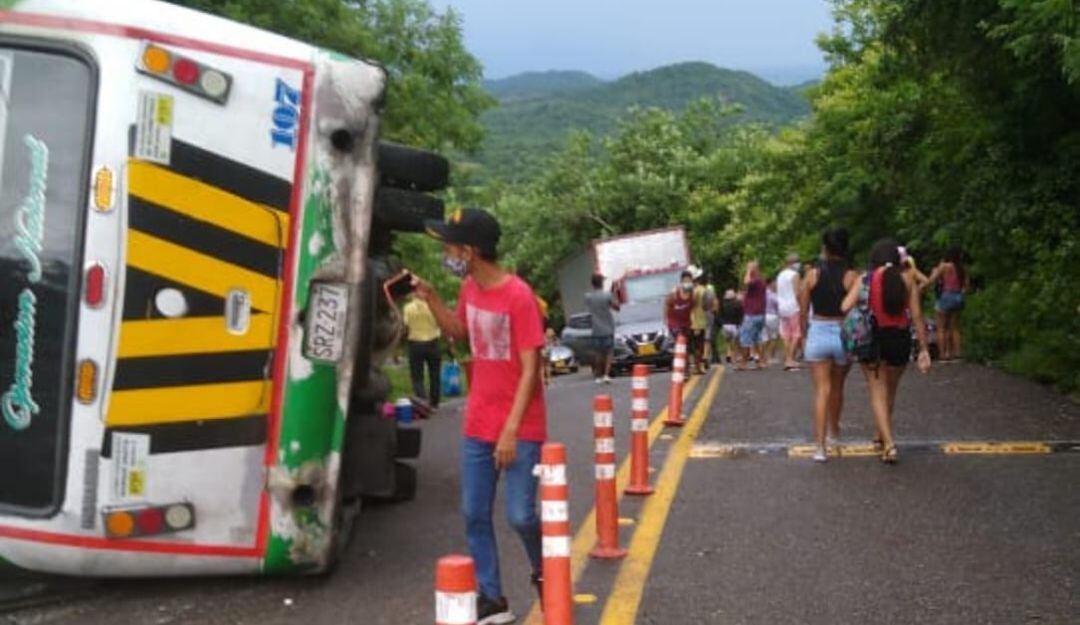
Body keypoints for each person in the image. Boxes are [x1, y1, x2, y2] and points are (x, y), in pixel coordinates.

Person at [412, 208, 545, 624]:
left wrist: (509, 430)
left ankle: (547, 569)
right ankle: (492, 595)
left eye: (450, 245)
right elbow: (459, 332)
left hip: (520, 424)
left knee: (521, 515)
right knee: (474, 514)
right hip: (478, 422)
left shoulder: (519, 296)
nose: (446, 252)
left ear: (470, 251)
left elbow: (530, 369)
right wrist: (432, 298)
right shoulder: (470, 287)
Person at [843, 239, 932, 464]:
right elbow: (917, 315)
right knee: (890, 391)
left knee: (876, 390)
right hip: (899, 339)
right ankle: (881, 435)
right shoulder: (908, 277)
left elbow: (844, 306)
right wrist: (923, 348)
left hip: (873, 339)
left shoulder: (865, 278)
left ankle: (890, 444)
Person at [798, 228, 858, 462]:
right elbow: (853, 309)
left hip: (819, 331)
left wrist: (804, 336)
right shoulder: (852, 276)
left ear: (825, 248)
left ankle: (820, 448)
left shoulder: (812, 275)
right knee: (838, 387)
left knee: (821, 390)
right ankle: (835, 431)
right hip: (842, 333)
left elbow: (802, 310)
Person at [924, 247, 968, 362]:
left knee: (941, 327)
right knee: (954, 327)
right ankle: (957, 353)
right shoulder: (962, 268)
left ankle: (944, 354)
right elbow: (966, 286)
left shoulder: (944, 266)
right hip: (958, 297)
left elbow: (932, 280)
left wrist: (922, 287)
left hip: (945, 296)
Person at [402, 293, 442, 410]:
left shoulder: (408, 308)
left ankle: (422, 401)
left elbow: (406, 325)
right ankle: (434, 401)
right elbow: (440, 322)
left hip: (416, 344)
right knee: (435, 374)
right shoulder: (432, 306)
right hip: (433, 343)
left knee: (417, 375)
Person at [585, 272, 619, 383]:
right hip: (608, 328)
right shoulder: (607, 295)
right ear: (601, 283)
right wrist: (614, 296)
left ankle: (598, 376)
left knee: (599, 353)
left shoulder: (588, 297)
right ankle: (606, 374)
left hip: (596, 329)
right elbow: (616, 307)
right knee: (609, 353)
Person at [736, 261, 767, 370]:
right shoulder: (760, 281)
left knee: (745, 338)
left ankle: (744, 363)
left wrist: (749, 270)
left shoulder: (755, 281)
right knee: (756, 339)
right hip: (759, 314)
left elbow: (746, 282)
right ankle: (761, 361)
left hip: (752, 314)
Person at [775, 252, 803, 370]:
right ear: (793, 263)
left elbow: (777, 291)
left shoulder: (780, 275)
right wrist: (802, 305)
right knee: (796, 334)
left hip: (781, 307)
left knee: (786, 334)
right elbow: (797, 293)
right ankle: (790, 359)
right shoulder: (795, 275)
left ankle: (787, 358)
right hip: (793, 306)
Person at [665, 269, 695, 350]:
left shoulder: (693, 294)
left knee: (689, 345)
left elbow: (694, 309)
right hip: (674, 324)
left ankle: (689, 360)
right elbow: (666, 305)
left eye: (689, 281)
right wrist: (666, 321)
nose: (687, 283)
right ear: (681, 282)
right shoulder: (674, 293)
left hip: (686, 323)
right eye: (685, 281)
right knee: (680, 341)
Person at [689, 266, 710, 374]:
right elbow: (707, 306)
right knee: (699, 345)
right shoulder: (703, 290)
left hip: (691, 322)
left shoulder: (690, 291)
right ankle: (699, 366)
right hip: (700, 321)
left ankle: (696, 366)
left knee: (694, 346)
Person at [718, 289, 743, 363]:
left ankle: (728, 354)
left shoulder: (723, 304)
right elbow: (740, 315)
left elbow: (719, 315)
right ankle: (735, 356)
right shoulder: (738, 304)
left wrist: (722, 323)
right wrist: (740, 323)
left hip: (725, 325)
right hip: (734, 325)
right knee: (736, 341)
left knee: (728, 341)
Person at [763, 279, 780, 365]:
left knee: (765, 337)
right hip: (773, 316)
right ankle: (770, 357)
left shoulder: (762, 293)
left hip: (763, 316)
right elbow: (778, 305)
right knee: (774, 337)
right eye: (775, 283)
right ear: (770, 284)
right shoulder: (773, 295)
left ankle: (763, 356)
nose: (776, 285)